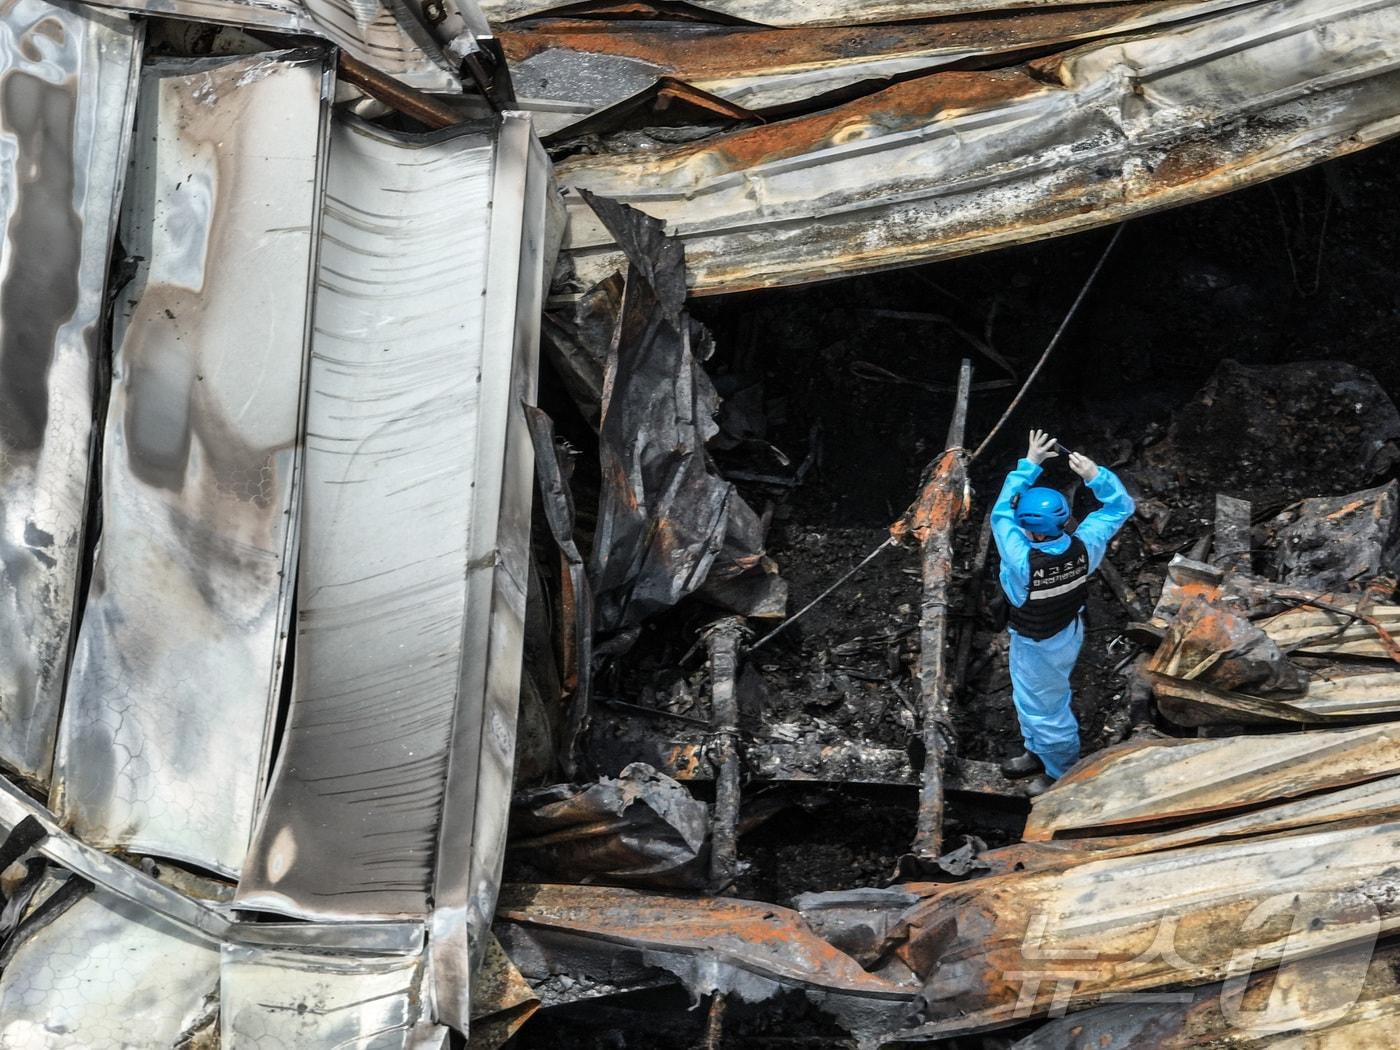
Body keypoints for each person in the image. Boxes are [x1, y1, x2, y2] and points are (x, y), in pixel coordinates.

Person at [991, 429, 1135, 797]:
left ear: (1033, 532)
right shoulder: (1086, 545)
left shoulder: (1021, 559)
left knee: (1046, 710)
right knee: (1031, 699)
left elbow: (1000, 513)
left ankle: (1060, 772)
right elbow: (1120, 507)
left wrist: (1030, 464)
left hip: (1037, 643)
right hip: (1068, 629)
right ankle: (1036, 751)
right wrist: (1095, 475)